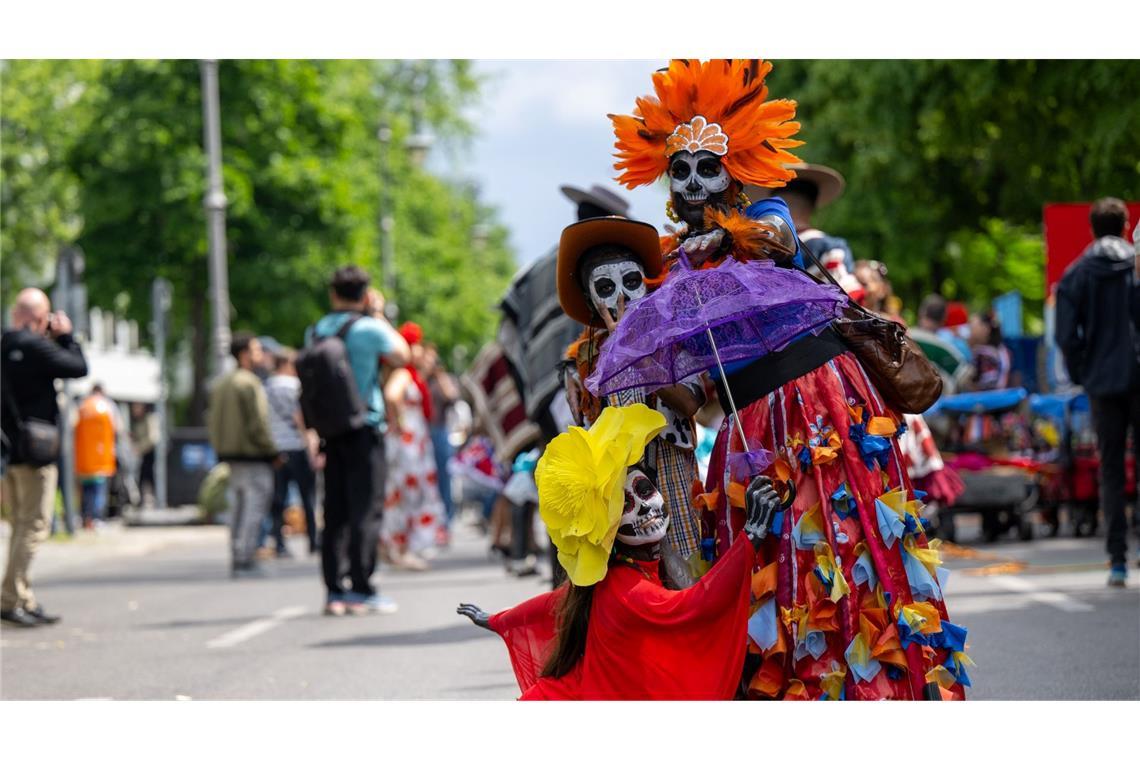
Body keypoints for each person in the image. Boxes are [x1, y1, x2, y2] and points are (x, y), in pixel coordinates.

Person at [603, 59, 969, 699]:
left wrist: (722, 237)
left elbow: (775, 239)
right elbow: (698, 395)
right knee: (772, 563)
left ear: (734, 167)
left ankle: (869, 690)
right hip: (748, 427)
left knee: (838, 541)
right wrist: (635, 368)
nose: (693, 182)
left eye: (706, 166)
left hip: (817, 400)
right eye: (679, 170)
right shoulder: (676, 273)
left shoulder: (760, 214)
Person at [457, 404, 788, 699]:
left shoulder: (612, 577)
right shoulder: (628, 590)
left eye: (646, 490)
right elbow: (695, 603)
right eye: (625, 505)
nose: (646, 509)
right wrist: (752, 536)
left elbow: (556, 603)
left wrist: (500, 618)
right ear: (607, 529)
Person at [557, 215, 705, 587]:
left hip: (670, 465)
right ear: (592, 299)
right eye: (607, 287)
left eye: (631, 283)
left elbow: (690, 404)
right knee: (631, 583)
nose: (621, 298)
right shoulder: (585, 358)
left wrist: (637, 353)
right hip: (619, 485)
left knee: (685, 575)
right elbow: (584, 432)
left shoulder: (673, 339)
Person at [308, 266, 409, 615]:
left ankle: (334, 591)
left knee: (333, 511)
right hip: (365, 427)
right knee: (365, 510)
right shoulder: (369, 329)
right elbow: (402, 355)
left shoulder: (317, 330)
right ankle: (361, 589)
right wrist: (378, 313)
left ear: (333, 294)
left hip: (330, 431)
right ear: (365, 294)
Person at [1056, 197, 1140, 588]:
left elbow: (1064, 336)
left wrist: (1082, 373)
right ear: (1126, 227)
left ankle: (1118, 560)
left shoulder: (1077, 274)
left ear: (1092, 229)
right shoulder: (1135, 268)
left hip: (1102, 383)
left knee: (1109, 467)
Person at [1, 288, 88, 627]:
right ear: (40, 318)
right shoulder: (36, 346)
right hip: (36, 451)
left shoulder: (2, 343)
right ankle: (9, 598)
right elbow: (78, 368)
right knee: (35, 526)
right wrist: (66, 337)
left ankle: (23, 596)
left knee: (19, 525)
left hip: (7, 450)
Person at [207, 331, 279, 578]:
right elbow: (258, 424)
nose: (260, 355)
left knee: (237, 508)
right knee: (253, 508)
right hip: (253, 455)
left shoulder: (222, 383)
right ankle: (245, 558)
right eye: (256, 350)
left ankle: (237, 556)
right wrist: (272, 451)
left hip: (229, 456)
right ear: (244, 354)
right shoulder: (249, 383)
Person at [381, 322, 448, 569]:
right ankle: (400, 547)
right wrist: (400, 424)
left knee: (410, 493)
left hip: (413, 441)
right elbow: (392, 395)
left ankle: (401, 546)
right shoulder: (403, 373)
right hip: (407, 442)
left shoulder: (410, 374)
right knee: (405, 494)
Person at [265, 348, 319, 556]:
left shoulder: (266, 387)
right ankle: (313, 541)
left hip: (276, 448)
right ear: (286, 364)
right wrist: (311, 443)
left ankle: (278, 542)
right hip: (296, 446)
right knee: (308, 498)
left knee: (278, 498)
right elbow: (300, 418)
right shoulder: (295, 386)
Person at [74, 383, 121, 530]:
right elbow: (118, 427)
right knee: (99, 491)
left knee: (86, 490)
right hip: (102, 459)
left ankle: (85, 518)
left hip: (84, 459)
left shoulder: (82, 406)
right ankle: (96, 518)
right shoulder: (108, 406)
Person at [424, 343, 460, 526]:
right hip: (425, 432)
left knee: (444, 476)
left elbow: (452, 396)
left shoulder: (441, 380)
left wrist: (440, 374)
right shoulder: (424, 380)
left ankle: (446, 519)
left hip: (440, 431)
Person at [966, 311, 1012, 391]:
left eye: (972, 326)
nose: (969, 331)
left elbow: (985, 385)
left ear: (986, 329)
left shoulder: (984, 354)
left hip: (987, 400)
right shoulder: (1001, 349)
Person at [128, 402, 159, 508]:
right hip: (144, 454)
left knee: (150, 477)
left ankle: (156, 499)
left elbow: (152, 438)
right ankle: (142, 500)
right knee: (143, 477)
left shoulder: (150, 418)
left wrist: (139, 448)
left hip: (152, 454)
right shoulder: (138, 421)